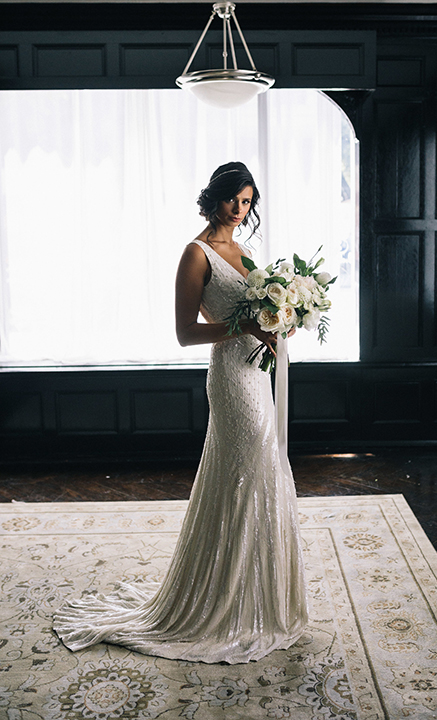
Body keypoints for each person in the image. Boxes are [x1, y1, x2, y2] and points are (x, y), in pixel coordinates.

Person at [53, 161, 308, 664]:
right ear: (213, 199)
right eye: (233, 199)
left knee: (263, 475)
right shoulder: (196, 254)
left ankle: (257, 597)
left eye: (248, 201)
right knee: (243, 476)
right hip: (231, 379)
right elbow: (185, 333)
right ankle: (220, 601)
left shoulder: (245, 252)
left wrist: (284, 321)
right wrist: (246, 330)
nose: (240, 210)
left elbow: (262, 313)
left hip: (258, 373)